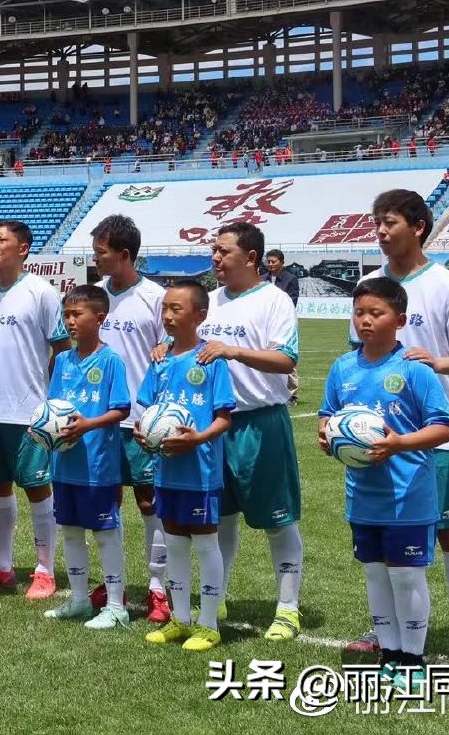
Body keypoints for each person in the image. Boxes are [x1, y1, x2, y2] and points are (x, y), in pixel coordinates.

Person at [344, 190, 449, 669]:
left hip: (433, 440)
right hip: (373, 443)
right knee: (381, 542)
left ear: (418, 226)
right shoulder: (369, 283)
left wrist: (436, 361)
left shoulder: (447, 284)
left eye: (389, 222)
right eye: (376, 223)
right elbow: (356, 362)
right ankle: (388, 631)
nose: (380, 232)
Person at [319, 277, 449, 690]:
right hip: (362, 495)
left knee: (407, 576)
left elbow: (443, 427)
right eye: (359, 312)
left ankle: (413, 660)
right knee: (376, 574)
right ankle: (391, 654)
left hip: (407, 495)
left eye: (375, 314)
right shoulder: (343, 367)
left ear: (399, 320)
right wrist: (327, 436)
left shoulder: (414, 369)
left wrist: (398, 444)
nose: (365, 321)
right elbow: (327, 413)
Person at [191, 222, 304, 642]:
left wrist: (233, 350)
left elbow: (286, 360)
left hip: (260, 423)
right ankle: (215, 594)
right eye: (213, 250)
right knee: (219, 519)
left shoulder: (274, 300)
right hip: (212, 425)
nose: (215, 258)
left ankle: (288, 608)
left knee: (278, 519)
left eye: (223, 251)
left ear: (251, 257)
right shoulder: (210, 301)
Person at [0, 219, 70, 600]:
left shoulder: (41, 292)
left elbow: (61, 349)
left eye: (1, 239)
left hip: (29, 411)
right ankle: (2, 566)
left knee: (37, 488)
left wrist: (46, 397)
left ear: (24, 248)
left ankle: (44, 569)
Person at [136, 281, 234, 652]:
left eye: (177, 309)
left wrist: (196, 438)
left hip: (201, 470)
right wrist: (143, 435)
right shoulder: (159, 360)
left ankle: (208, 624)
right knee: (174, 542)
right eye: (165, 309)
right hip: (166, 469)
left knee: (205, 543)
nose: (168, 316)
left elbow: (224, 418)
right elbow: (147, 411)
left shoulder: (211, 360)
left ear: (200, 315)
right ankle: (180, 619)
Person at [90, 214, 170, 623]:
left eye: (101, 253)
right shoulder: (93, 296)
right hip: (99, 420)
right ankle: (113, 580)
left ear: (124, 254)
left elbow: (170, 352)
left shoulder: (155, 297)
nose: (95, 259)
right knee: (106, 502)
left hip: (142, 421)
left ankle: (159, 587)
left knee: (148, 501)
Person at [43, 285, 133, 630]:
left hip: (97, 465)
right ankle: (79, 599)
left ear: (99, 317)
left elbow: (121, 409)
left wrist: (88, 424)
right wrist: (42, 429)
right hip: (64, 463)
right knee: (69, 530)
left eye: (76, 315)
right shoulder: (62, 360)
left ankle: (115, 606)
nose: (70, 321)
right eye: (66, 315)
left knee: (104, 532)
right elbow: (53, 408)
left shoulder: (111, 361)